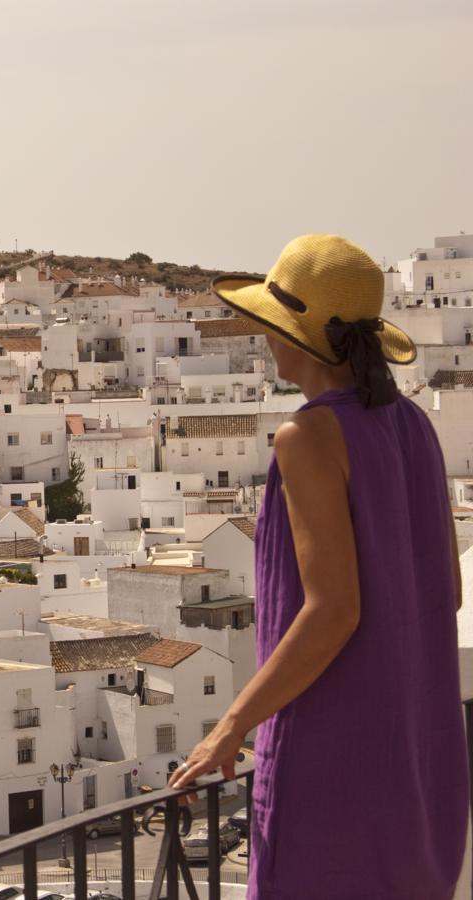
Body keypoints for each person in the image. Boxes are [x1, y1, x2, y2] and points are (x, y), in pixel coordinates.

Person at [168, 234, 467, 898]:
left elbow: (333, 610)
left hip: (330, 752)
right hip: (415, 753)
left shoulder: (306, 438)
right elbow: (446, 590)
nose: (262, 339)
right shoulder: (417, 426)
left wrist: (230, 727)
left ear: (296, 338)